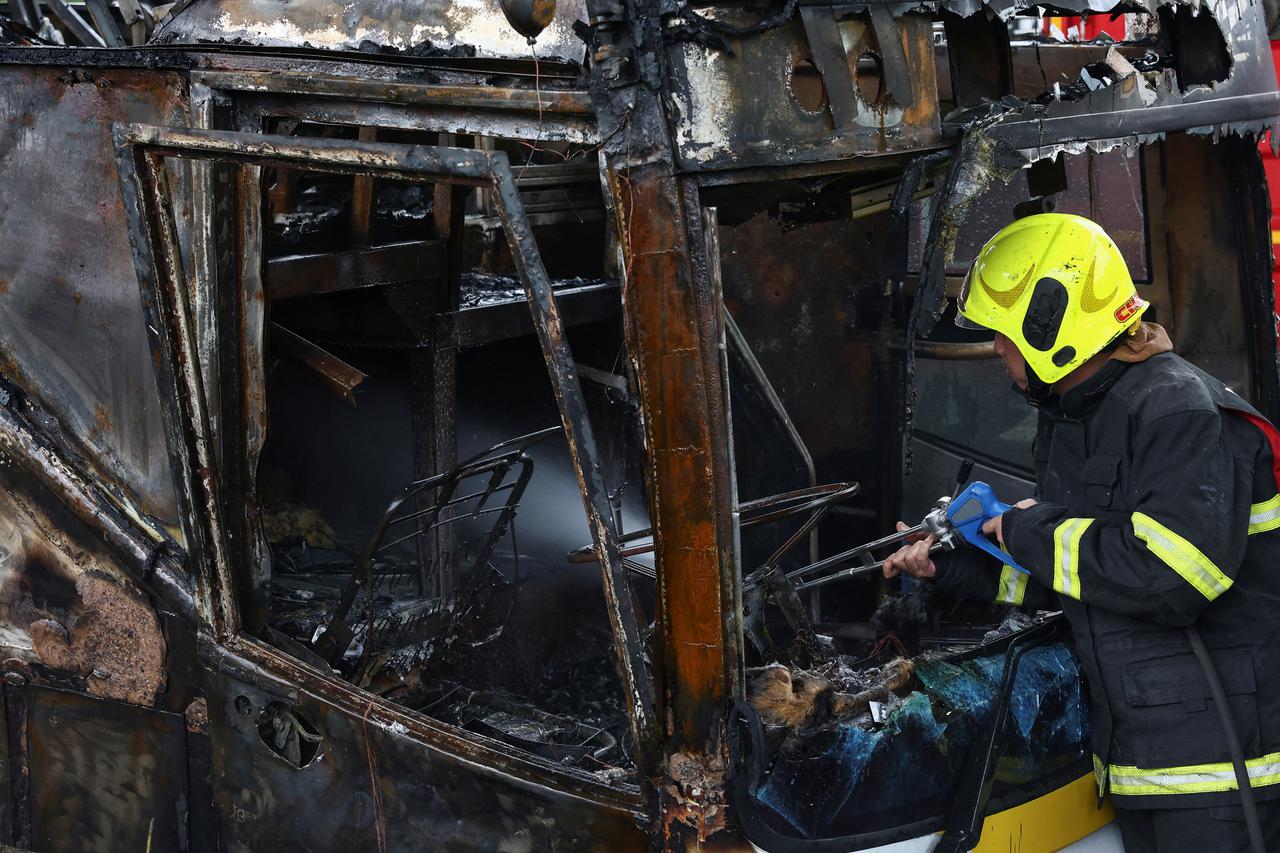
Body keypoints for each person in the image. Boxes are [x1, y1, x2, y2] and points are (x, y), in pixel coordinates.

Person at [883, 213, 1280, 852]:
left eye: (1006, 333)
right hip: (1143, 764)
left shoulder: (1176, 410)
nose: (997, 350)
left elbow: (1173, 580)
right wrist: (957, 568)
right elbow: (1090, 580)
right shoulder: (1078, 417)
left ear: (1053, 324)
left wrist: (1026, 527)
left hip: (1222, 776)